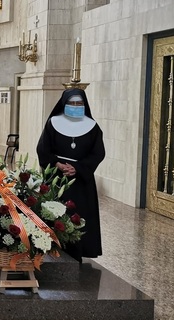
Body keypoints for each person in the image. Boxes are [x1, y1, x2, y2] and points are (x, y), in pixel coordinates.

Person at [36, 88, 106, 262]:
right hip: (57, 178)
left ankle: (77, 252)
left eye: (79, 103)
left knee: (78, 216)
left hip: (81, 181)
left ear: (84, 105)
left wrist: (78, 168)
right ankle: (51, 249)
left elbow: (98, 153)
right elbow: (43, 148)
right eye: (72, 103)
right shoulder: (53, 122)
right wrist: (57, 164)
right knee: (55, 212)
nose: (75, 106)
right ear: (64, 104)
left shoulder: (92, 126)